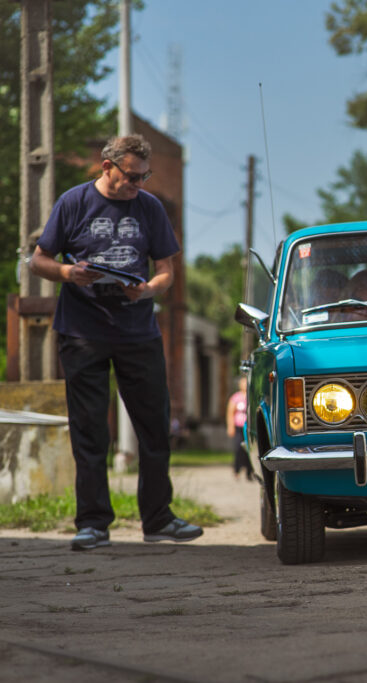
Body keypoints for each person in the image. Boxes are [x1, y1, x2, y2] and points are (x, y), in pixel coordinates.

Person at [29, 133, 203, 551]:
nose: (138, 185)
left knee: (154, 428)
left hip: (138, 332)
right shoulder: (74, 202)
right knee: (90, 431)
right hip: (83, 332)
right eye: (132, 177)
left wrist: (146, 291)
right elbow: (39, 260)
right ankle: (93, 524)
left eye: (144, 177)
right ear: (107, 167)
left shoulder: (150, 207)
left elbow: (165, 272)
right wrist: (70, 274)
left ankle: (158, 520)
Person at [226, 377, 252, 480]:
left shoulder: (250, 397)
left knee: (249, 449)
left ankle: (249, 472)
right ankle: (237, 469)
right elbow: (230, 413)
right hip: (239, 427)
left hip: (248, 427)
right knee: (238, 448)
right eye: (243, 383)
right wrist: (230, 426)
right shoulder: (235, 398)